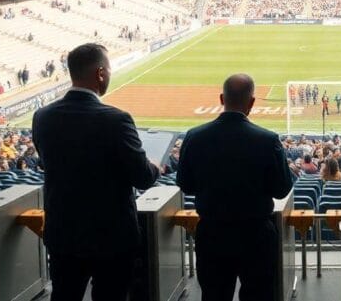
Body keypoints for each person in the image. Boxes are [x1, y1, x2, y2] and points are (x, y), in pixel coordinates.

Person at [32, 43, 161, 301]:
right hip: (112, 237)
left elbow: (49, 164)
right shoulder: (117, 119)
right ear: (101, 73)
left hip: (63, 233)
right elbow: (143, 177)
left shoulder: (42, 116)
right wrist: (156, 166)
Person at [176, 74, 294, 301]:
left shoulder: (195, 137)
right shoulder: (267, 140)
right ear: (251, 103)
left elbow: (186, 185)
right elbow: (281, 189)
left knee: (214, 295)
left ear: (222, 98)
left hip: (212, 234)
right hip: (256, 234)